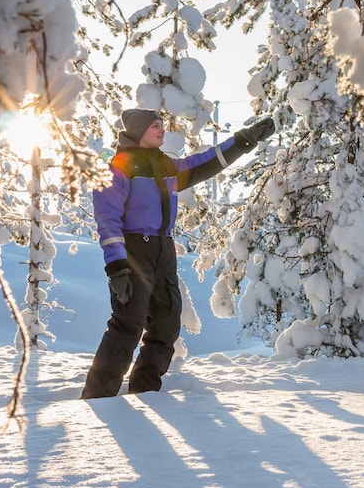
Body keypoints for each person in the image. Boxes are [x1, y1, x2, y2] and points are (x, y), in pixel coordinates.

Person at [82, 109, 275, 399]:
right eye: (154, 126)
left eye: (162, 125)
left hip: (164, 250)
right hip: (135, 251)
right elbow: (107, 220)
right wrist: (117, 267)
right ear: (138, 132)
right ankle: (97, 398)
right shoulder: (118, 168)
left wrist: (243, 141)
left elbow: (207, 162)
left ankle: (145, 391)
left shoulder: (166, 167)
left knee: (168, 323)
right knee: (128, 325)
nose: (161, 130)